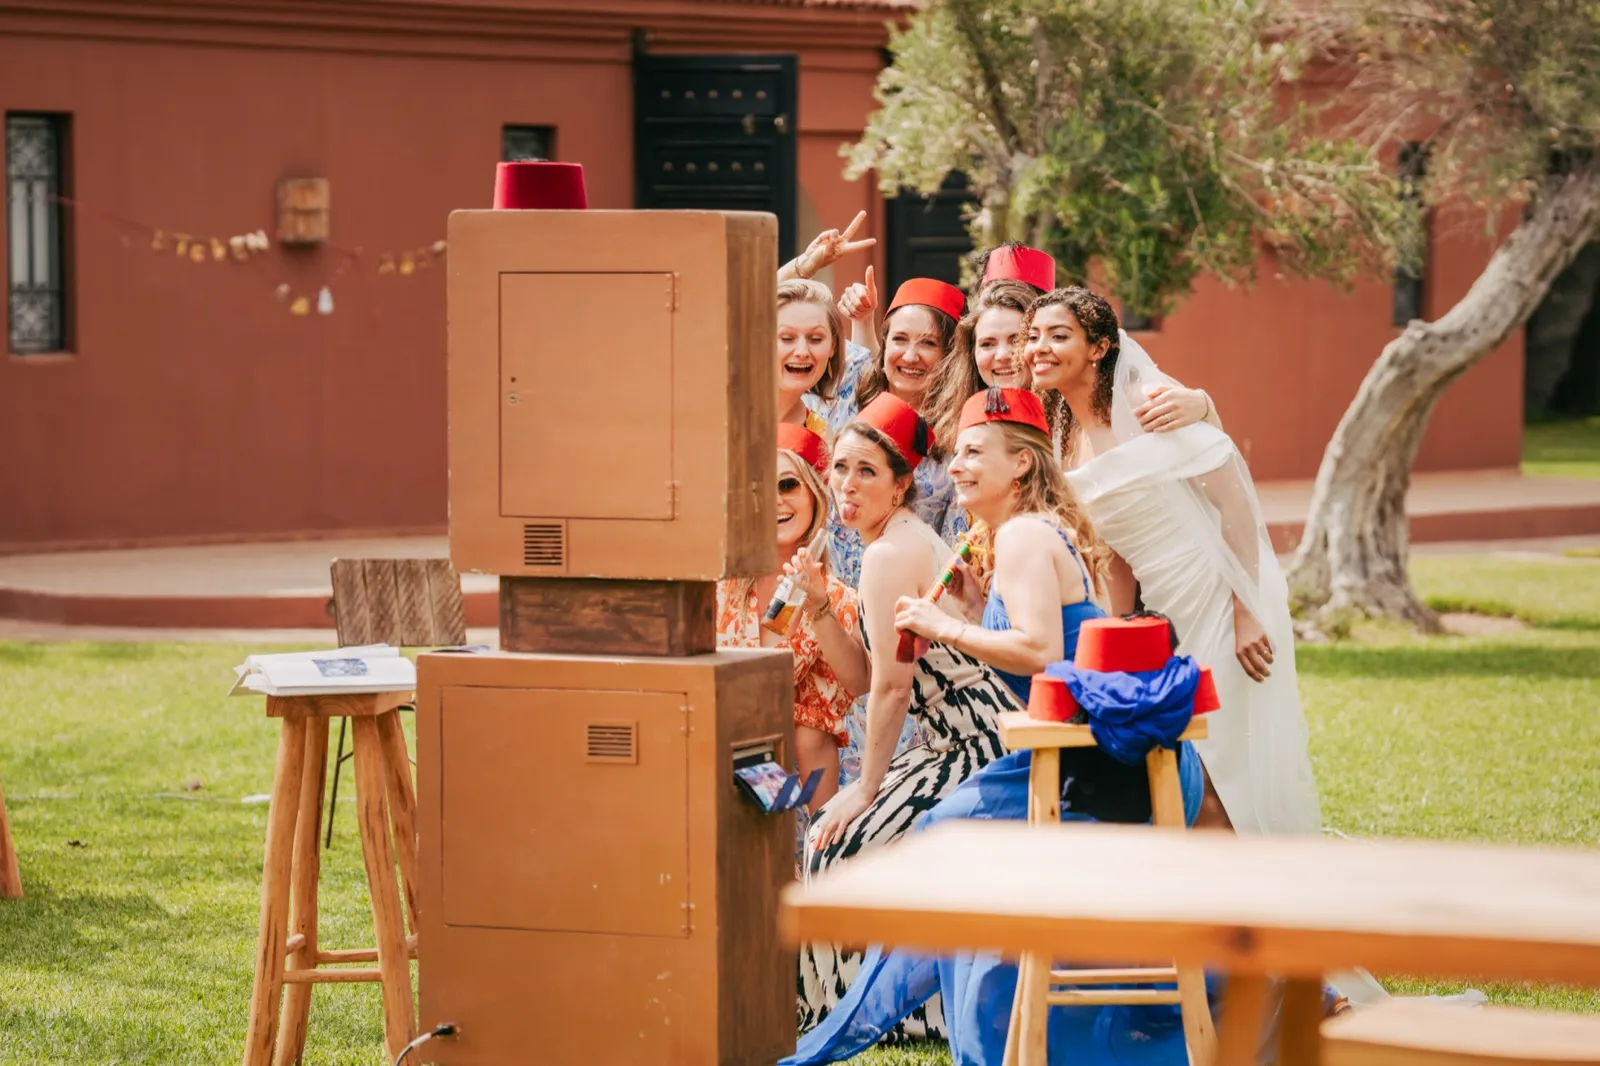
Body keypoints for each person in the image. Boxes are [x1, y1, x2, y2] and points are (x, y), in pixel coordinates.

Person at [785, 388, 1211, 1066]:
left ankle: (948, 1034)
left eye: (974, 452)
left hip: (1089, 760)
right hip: (1088, 749)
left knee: (940, 845)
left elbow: (1042, 652)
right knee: (948, 849)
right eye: (953, 453)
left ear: (1020, 466)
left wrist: (945, 624)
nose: (955, 466)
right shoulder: (1021, 534)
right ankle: (977, 1027)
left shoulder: (1020, 534)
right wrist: (977, 606)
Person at [1025, 285, 1319, 837]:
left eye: (1058, 335)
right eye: (1034, 336)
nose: (1039, 347)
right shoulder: (1060, 433)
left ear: (1099, 348)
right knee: (1182, 756)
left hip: (1221, 588)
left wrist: (1246, 608)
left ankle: (1251, 885)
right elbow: (1111, 548)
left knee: (1222, 756)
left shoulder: (1150, 401)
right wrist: (1109, 629)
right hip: (1162, 609)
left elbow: (1233, 499)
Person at [797, 392, 1020, 1035]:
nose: (846, 484)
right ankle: (872, 1004)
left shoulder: (887, 554)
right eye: (839, 467)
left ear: (900, 485)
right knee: (829, 838)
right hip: (952, 740)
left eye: (867, 471)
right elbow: (869, 678)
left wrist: (865, 789)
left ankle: (878, 1015)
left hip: (975, 746)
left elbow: (893, 693)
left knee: (837, 846)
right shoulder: (897, 540)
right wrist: (816, 605)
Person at [716, 423, 869, 817]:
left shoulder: (838, 600)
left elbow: (829, 720)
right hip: (706, 767)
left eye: (787, 486)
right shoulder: (717, 585)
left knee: (808, 732)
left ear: (815, 496)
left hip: (792, 796)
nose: (775, 502)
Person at [776, 279, 848, 438]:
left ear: (833, 346)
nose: (802, 352)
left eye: (815, 339)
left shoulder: (822, 438)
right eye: (787, 338)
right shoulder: (727, 409)